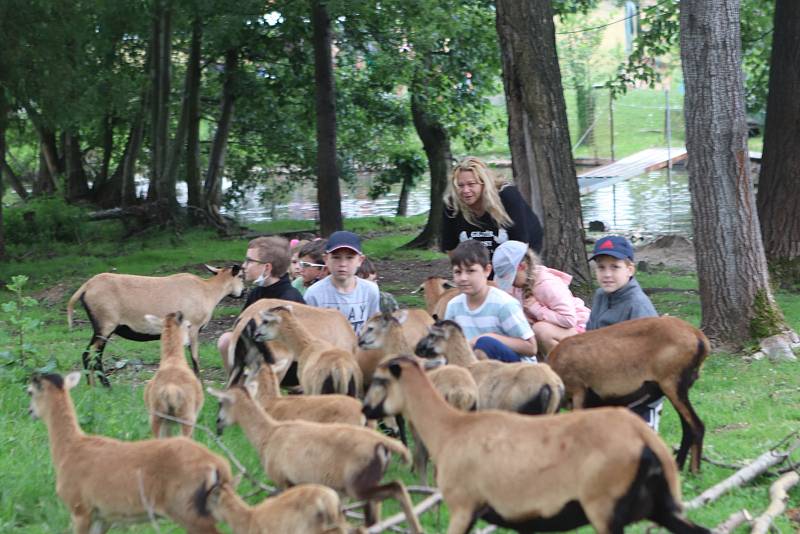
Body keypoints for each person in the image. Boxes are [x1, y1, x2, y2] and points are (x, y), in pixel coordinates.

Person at [586, 235, 663, 431]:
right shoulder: (600, 296)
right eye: (601, 267)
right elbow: (589, 336)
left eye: (615, 267)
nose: (607, 274)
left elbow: (650, 357)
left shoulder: (638, 305)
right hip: (605, 378)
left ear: (630, 269)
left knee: (637, 444)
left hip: (640, 384)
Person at [444, 239, 537, 362]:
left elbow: (531, 347)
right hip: (474, 367)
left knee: (485, 344)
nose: (463, 278)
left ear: (487, 270)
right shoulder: (453, 306)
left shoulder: (504, 304)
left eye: (471, 271)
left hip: (516, 371)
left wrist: (491, 337)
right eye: (458, 272)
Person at [216, 236, 305, 366]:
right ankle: (236, 385)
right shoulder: (256, 293)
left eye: (249, 261)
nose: (244, 266)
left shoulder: (289, 298)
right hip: (263, 355)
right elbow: (239, 328)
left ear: (267, 268)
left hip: (290, 364)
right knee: (226, 341)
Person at [492, 240, 590, 356]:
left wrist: (537, 309)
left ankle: (565, 368)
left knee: (540, 330)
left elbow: (569, 319)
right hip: (558, 330)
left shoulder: (547, 285)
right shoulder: (518, 286)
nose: (510, 284)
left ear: (523, 266)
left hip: (580, 331)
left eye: (511, 278)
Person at [441, 156, 544, 260]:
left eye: (471, 184)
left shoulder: (507, 196)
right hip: (479, 257)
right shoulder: (451, 204)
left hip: (521, 248)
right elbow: (451, 248)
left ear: (484, 183)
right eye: (460, 185)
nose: (465, 190)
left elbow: (521, 245)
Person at [304, 231, 380, 335]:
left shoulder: (370, 290)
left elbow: (374, 328)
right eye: (336, 257)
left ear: (360, 260)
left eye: (349, 258)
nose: (343, 264)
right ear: (326, 259)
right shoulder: (314, 294)